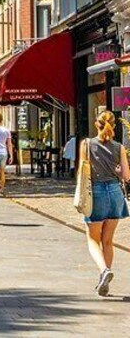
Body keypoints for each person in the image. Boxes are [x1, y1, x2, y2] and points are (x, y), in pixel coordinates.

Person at [81, 111, 130, 297]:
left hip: (96, 193)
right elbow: (127, 176)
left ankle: (104, 271)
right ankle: (104, 281)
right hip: (115, 193)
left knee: (93, 239)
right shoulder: (119, 147)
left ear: (96, 124)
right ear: (113, 126)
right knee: (108, 241)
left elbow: (82, 172)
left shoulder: (86, 144)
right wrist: (116, 171)